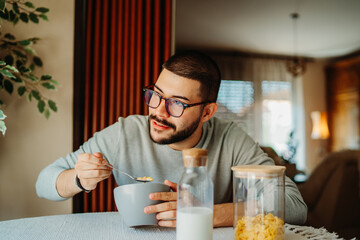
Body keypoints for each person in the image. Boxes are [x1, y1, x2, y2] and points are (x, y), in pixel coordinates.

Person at [36, 50, 307, 227]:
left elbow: (294, 206)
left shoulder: (230, 139)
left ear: (207, 112)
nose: (158, 111)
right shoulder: (125, 133)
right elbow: (44, 182)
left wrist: (206, 214)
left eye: (176, 104)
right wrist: (78, 179)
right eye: (155, 95)